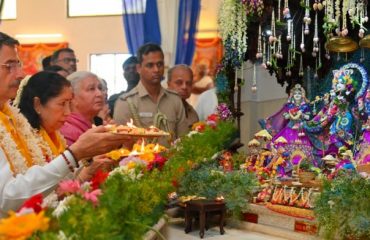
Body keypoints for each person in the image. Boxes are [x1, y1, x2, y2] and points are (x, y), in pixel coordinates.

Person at [0, 32, 129, 215]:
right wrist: (74, 154)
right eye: (9, 66)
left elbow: (39, 181)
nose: (20, 74)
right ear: (38, 105)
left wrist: (83, 168)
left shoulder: (13, 119)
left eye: (18, 65)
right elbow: (7, 198)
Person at [114, 43, 188, 145]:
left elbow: (183, 141)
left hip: (172, 159)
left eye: (159, 64)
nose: (156, 70)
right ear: (139, 68)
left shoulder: (175, 100)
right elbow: (120, 145)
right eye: (150, 65)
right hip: (138, 160)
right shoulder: (126, 103)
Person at [260, 84, 314, 165]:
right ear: (292, 95)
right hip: (290, 128)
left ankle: (304, 166)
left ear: (302, 95)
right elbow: (284, 116)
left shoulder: (305, 106)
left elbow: (309, 117)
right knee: (282, 146)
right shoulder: (289, 105)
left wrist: (301, 114)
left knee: (305, 148)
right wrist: (290, 114)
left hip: (301, 130)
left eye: (299, 94)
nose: (297, 95)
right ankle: (286, 166)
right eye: (295, 94)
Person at [60, 71, 105, 145]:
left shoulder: (96, 124)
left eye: (100, 88)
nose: (99, 94)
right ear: (72, 97)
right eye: (91, 89)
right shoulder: (67, 132)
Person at [167, 64, 199, 129]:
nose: (184, 87)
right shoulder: (158, 108)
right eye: (179, 82)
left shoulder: (192, 113)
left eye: (188, 83)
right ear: (168, 84)